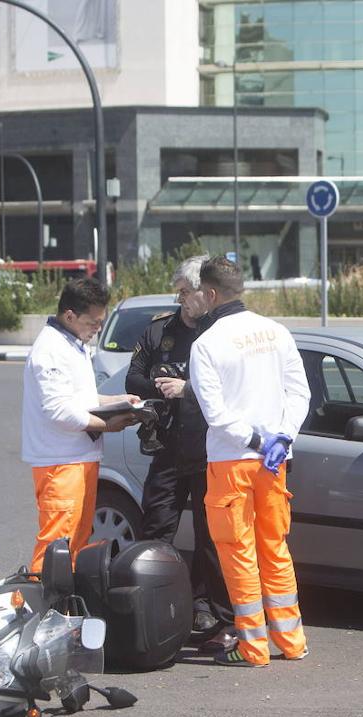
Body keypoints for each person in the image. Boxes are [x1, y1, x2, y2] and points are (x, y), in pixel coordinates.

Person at [188, 256, 311, 667]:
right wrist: (282, 438)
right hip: (274, 463)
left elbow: (217, 414)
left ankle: (253, 648)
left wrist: (258, 439)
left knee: (238, 550)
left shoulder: (206, 344)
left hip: (232, 460)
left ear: (209, 294)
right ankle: (291, 641)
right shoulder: (276, 332)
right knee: (275, 546)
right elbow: (300, 394)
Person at [124, 255, 235, 651]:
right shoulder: (159, 331)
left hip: (208, 448)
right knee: (157, 527)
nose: (180, 299)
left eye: (185, 292)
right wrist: (161, 383)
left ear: (204, 294)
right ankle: (161, 601)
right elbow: (134, 377)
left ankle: (206, 608)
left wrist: (187, 384)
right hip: (168, 446)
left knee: (210, 537)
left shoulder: (221, 333)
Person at [21, 277, 137, 572]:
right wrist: (106, 425)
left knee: (75, 542)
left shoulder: (72, 343)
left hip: (78, 458)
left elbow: (79, 398)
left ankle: (62, 608)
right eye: (94, 322)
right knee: (57, 545)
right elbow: (59, 410)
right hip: (61, 462)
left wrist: (116, 401)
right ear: (70, 315)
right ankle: (38, 606)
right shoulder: (50, 350)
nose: (97, 328)